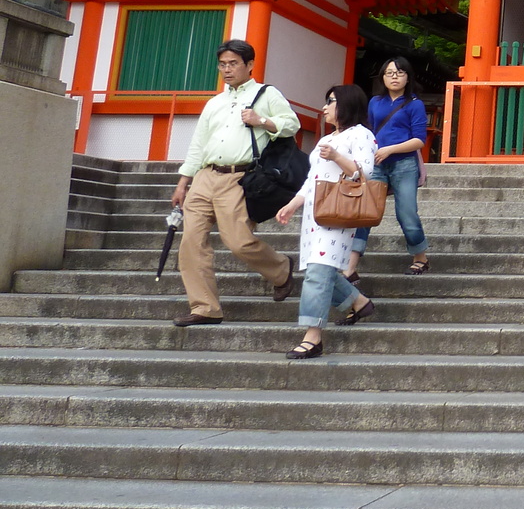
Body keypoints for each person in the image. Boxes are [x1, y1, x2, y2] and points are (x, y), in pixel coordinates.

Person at [169, 40, 296, 326]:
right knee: (191, 242)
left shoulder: (266, 94)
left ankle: (281, 268)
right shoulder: (215, 102)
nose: (227, 69)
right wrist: (182, 183)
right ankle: (204, 307)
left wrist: (261, 120)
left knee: (238, 241)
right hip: (205, 176)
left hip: (239, 177)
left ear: (249, 65)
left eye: (233, 63)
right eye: (223, 64)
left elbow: (292, 124)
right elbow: (198, 144)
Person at [274, 84, 378, 359]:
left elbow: (365, 173)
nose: (324, 107)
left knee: (318, 272)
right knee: (322, 270)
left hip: (339, 211)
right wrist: (293, 204)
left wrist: (337, 156)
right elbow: (312, 178)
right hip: (314, 214)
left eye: (330, 101)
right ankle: (358, 302)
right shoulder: (325, 139)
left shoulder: (362, 135)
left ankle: (313, 335)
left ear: (347, 104)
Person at [346, 56, 430, 280]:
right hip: (377, 164)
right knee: (366, 213)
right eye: (390, 73)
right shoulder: (375, 102)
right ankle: (351, 266)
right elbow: (370, 132)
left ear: (408, 77)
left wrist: (390, 149)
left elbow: (419, 140)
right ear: (382, 77)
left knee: (407, 213)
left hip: (404, 164)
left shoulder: (415, 104)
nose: (394, 77)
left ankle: (420, 257)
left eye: (400, 73)